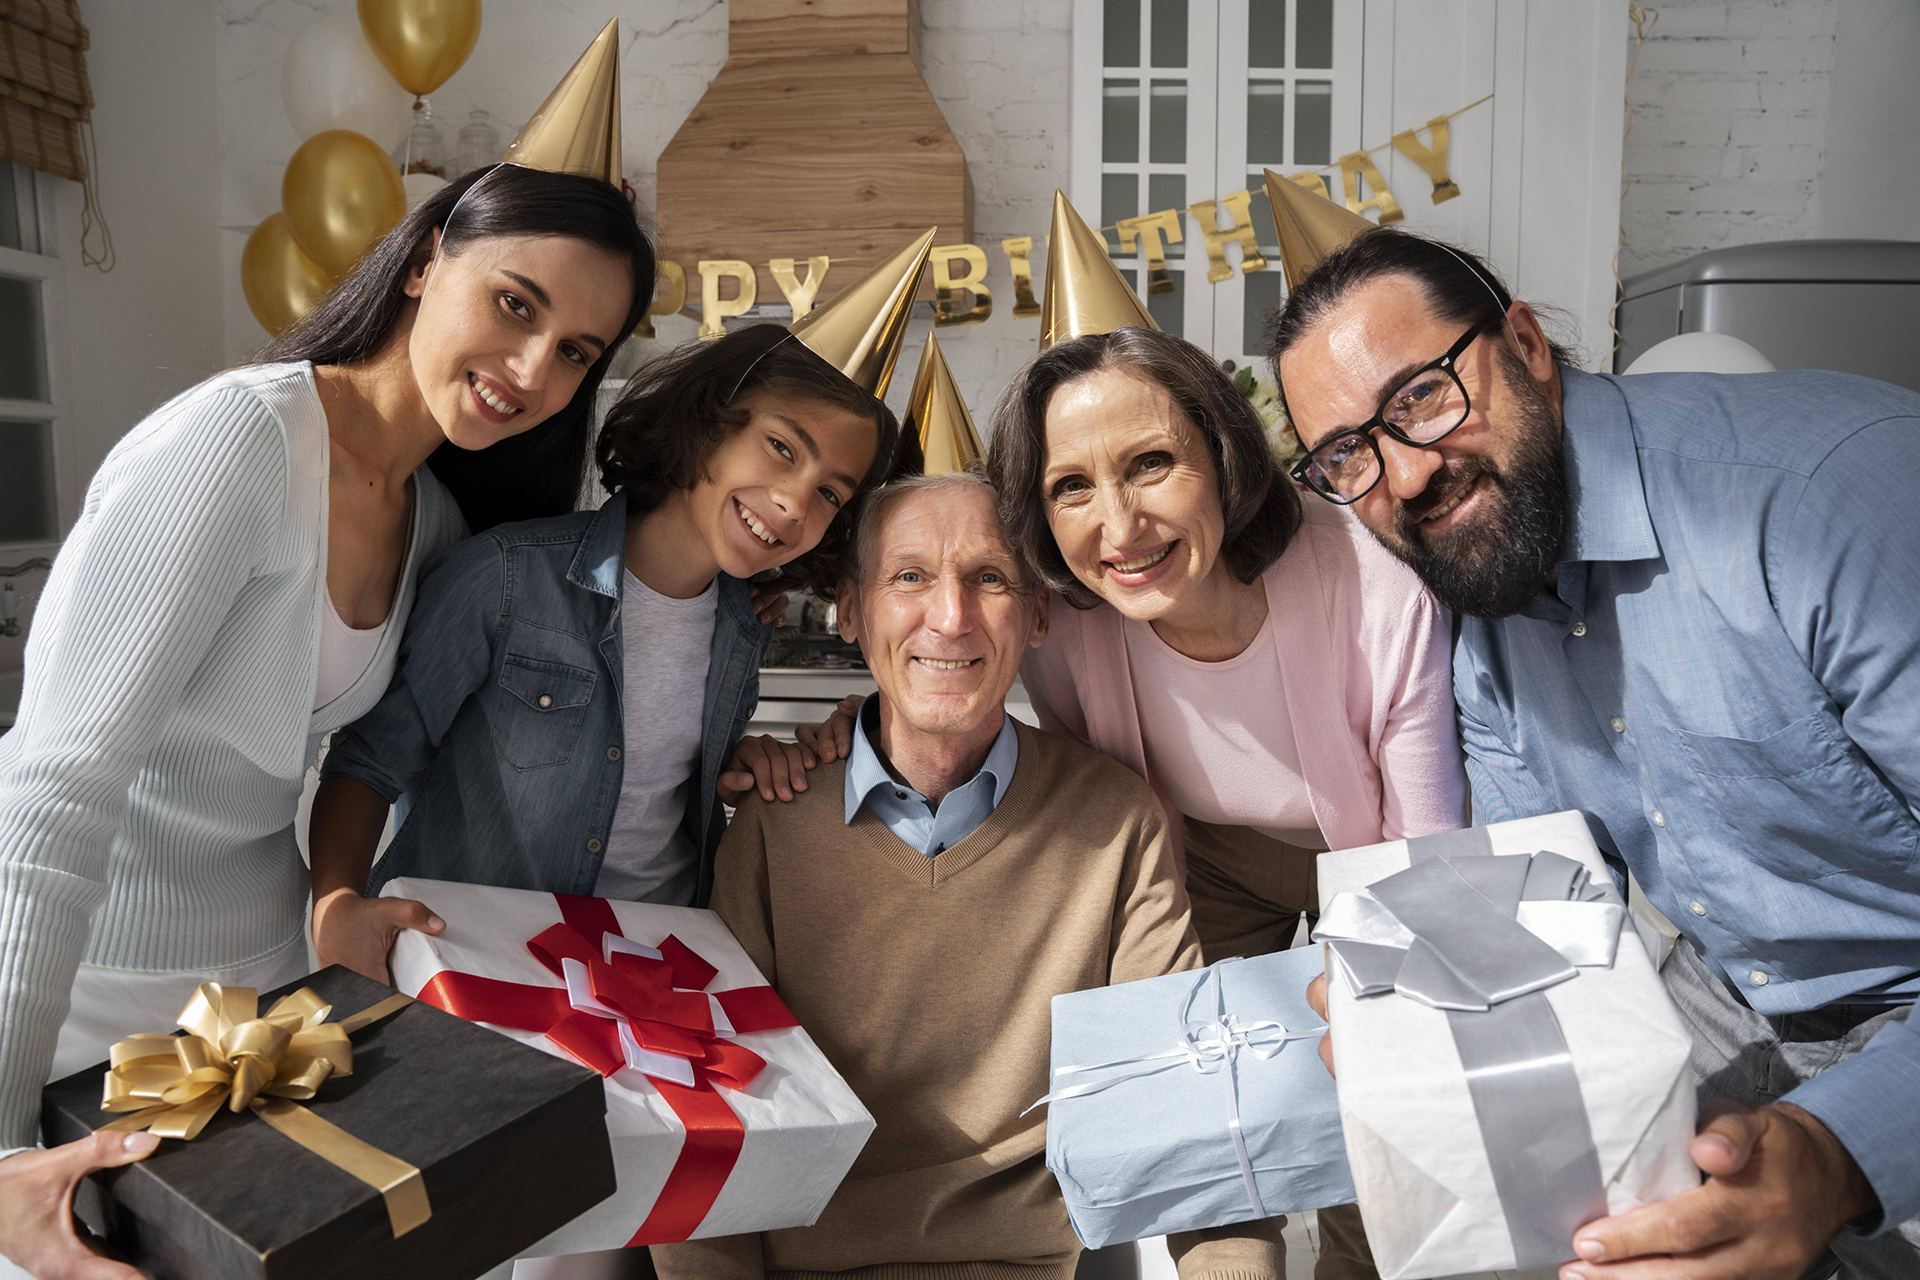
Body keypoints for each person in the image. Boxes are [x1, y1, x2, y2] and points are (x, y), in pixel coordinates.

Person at [0, 159, 653, 1279]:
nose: (534, 369)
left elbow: (363, 748)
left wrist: (334, 891)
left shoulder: (438, 518)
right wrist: (2, 1140)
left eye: (578, 351)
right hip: (74, 986)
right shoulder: (235, 446)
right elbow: (53, 790)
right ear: (422, 261)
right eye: (516, 303)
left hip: (253, 993)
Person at [804, 195, 1465, 1280]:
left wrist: (1383, 1001)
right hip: (1201, 856)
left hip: (1382, 855)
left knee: (1388, 1101)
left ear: (1220, 447)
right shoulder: (1069, 626)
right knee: (1209, 1101)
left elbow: (1429, 864)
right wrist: (841, 729)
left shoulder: (1373, 582)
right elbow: (943, 689)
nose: (1119, 527)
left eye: (1151, 462)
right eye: (1072, 487)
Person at [1272, 227, 1920, 1280]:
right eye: (1348, 453)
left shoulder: (1822, 502)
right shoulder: (1479, 593)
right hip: (1735, 998)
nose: (1408, 473)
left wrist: (1840, 1148)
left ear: (1525, 343)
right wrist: (1417, 1010)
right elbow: (1539, 898)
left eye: (1424, 397)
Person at [653, 470, 1307, 1280]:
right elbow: (707, 1131)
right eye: (909, 577)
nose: (952, 616)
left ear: (1037, 615)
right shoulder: (770, 826)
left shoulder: (1113, 820)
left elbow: (1191, 1107)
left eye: (989, 578)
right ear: (851, 611)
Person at [307, 321, 902, 980]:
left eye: (829, 493)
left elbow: (648, 768)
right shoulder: (502, 579)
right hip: (484, 961)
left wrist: (739, 761)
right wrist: (337, 904)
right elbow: (368, 761)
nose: (794, 504)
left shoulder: (744, 623)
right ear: (708, 425)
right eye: (781, 448)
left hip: (658, 966)